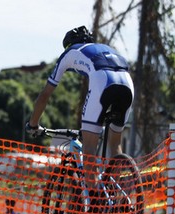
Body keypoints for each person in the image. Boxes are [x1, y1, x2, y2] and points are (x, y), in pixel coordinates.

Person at [26, 25, 133, 164]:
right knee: (115, 144)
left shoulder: (69, 52)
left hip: (103, 79)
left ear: (69, 45)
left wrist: (33, 124)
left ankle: (91, 186)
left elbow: (45, 94)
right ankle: (121, 184)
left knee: (89, 148)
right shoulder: (104, 48)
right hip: (128, 82)